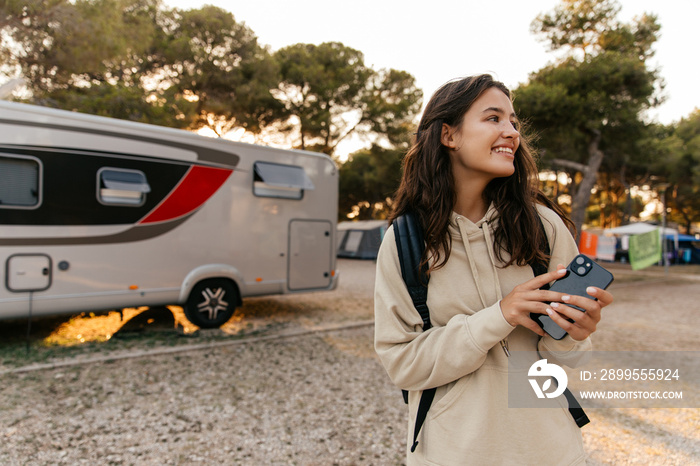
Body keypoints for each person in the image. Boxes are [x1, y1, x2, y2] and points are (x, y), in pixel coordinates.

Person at [373, 74, 614, 465]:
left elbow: (572, 360)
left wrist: (574, 334)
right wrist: (499, 316)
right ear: (449, 136)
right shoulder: (405, 242)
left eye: (514, 122)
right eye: (493, 118)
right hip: (452, 453)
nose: (511, 132)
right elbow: (402, 363)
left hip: (552, 451)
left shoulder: (544, 226)